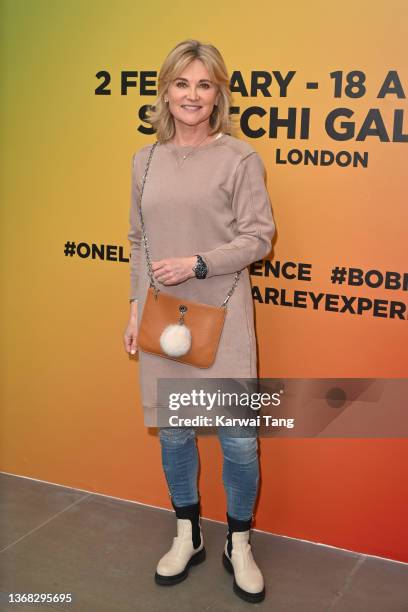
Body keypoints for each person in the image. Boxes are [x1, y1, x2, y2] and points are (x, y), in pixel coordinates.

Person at [123, 39, 276, 604]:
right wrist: (135, 308)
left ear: (218, 95)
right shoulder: (144, 160)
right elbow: (139, 242)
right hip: (165, 320)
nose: (192, 95)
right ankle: (186, 532)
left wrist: (199, 263)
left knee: (238, 440)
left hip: (225, 315)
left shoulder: (239, 159)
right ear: (166, 90)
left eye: (204, 85)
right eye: (182, 83)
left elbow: (259, 239)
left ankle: (239, 541)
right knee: (176, 433)